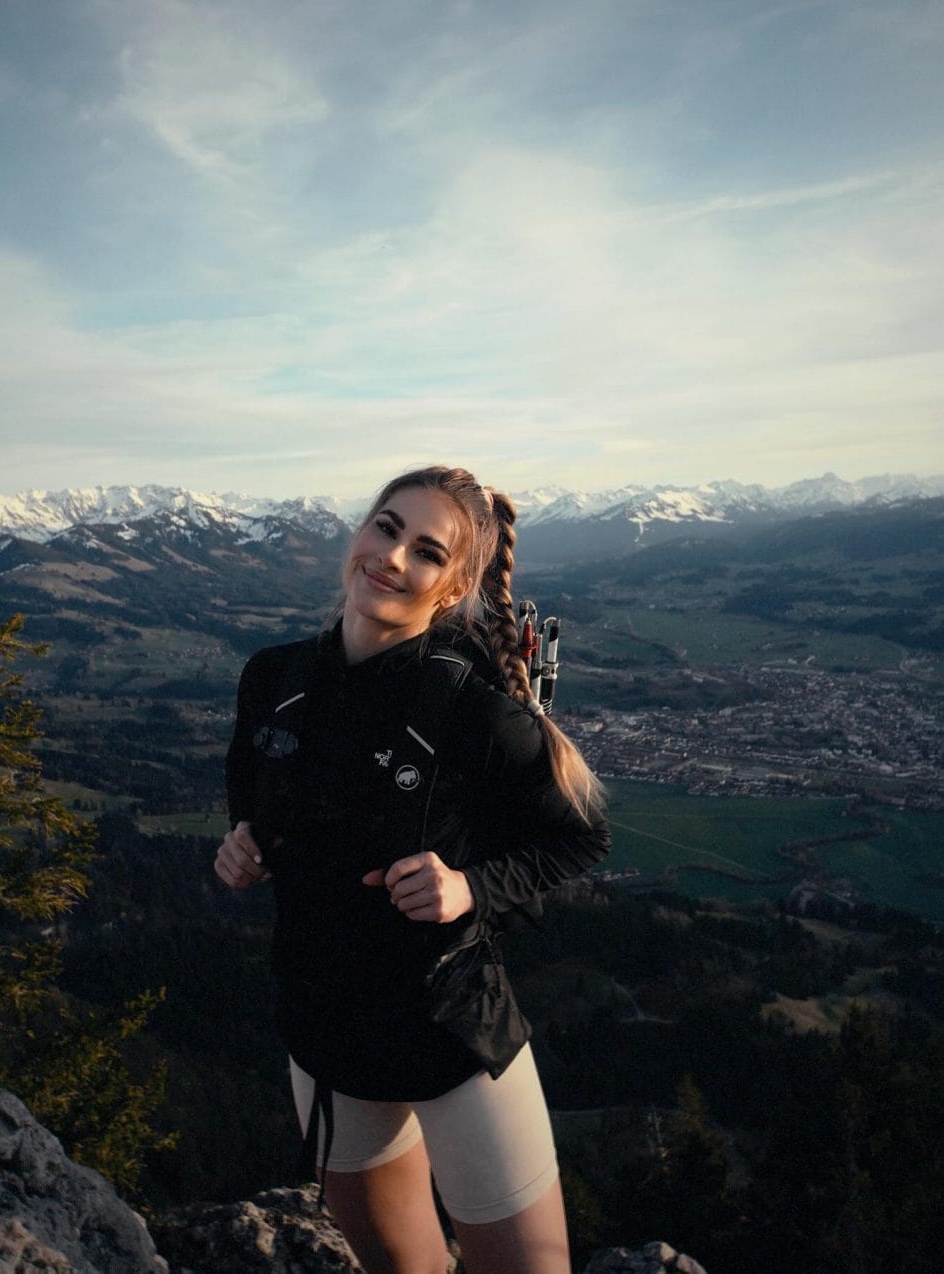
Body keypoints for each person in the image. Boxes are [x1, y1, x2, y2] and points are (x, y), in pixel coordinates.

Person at [216, 465, 610, 1274]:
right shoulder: (273, 681)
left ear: (453, 585)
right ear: (361, 531)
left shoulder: (479, 715)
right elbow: (250, 798)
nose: (392, 558)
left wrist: (470, 887)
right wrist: (241, 844)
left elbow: (578, 837)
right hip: (326, 1031)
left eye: (426, 552)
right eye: (386, 528)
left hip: (454, 1035)